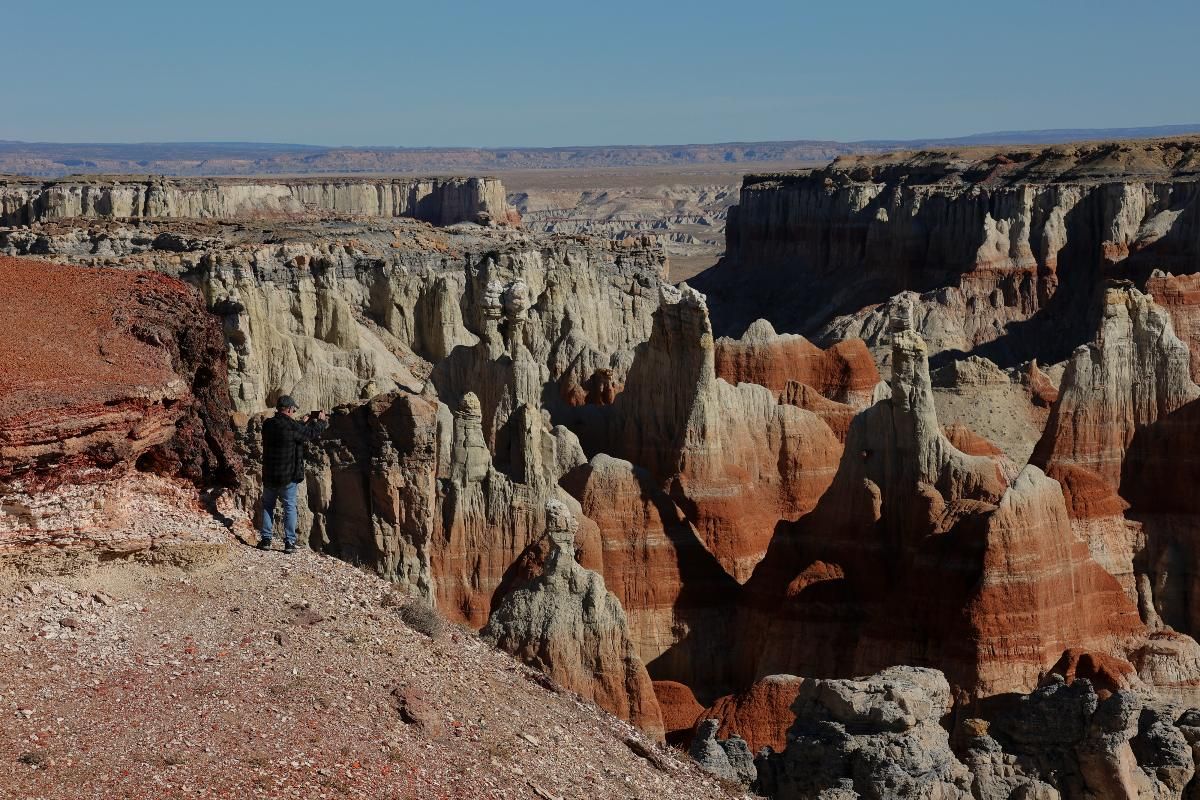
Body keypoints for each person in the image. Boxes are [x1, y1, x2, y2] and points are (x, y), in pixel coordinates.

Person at [258, 395, 328, 553]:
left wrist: (303, 422)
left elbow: (290, 430)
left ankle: (266, 540)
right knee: (289, 507)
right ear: (289, 409)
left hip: (270, 474)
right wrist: (321, 422)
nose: (294, 412)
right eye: (293, 410)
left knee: (268, 506)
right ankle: (289, 542)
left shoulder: (268, 424)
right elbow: (308, 435)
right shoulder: (291, 427)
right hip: (287, 476)